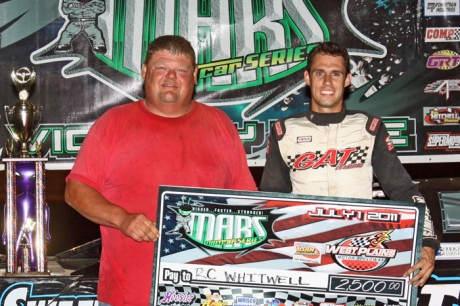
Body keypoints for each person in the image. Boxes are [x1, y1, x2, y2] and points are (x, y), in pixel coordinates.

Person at [64, 35, 256, 306]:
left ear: (194, 75)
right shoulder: (113, 124)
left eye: (180, 70)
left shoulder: (220, 125)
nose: (170, 77)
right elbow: (76, 190)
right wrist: (123, 219)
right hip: (129, 295)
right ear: (144, 72)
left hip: (207, 296)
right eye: (161, 68)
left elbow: (247, 202)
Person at [260, 42, 439, 287]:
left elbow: (405, 191)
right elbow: (271, 200)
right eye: (319, 73)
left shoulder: (369, 128)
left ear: (347, 80)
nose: (327, 82)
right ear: (307, 78)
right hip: (303, 254)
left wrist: (427, 243)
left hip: (358, 253)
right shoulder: (283, 131)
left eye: (336, 74)